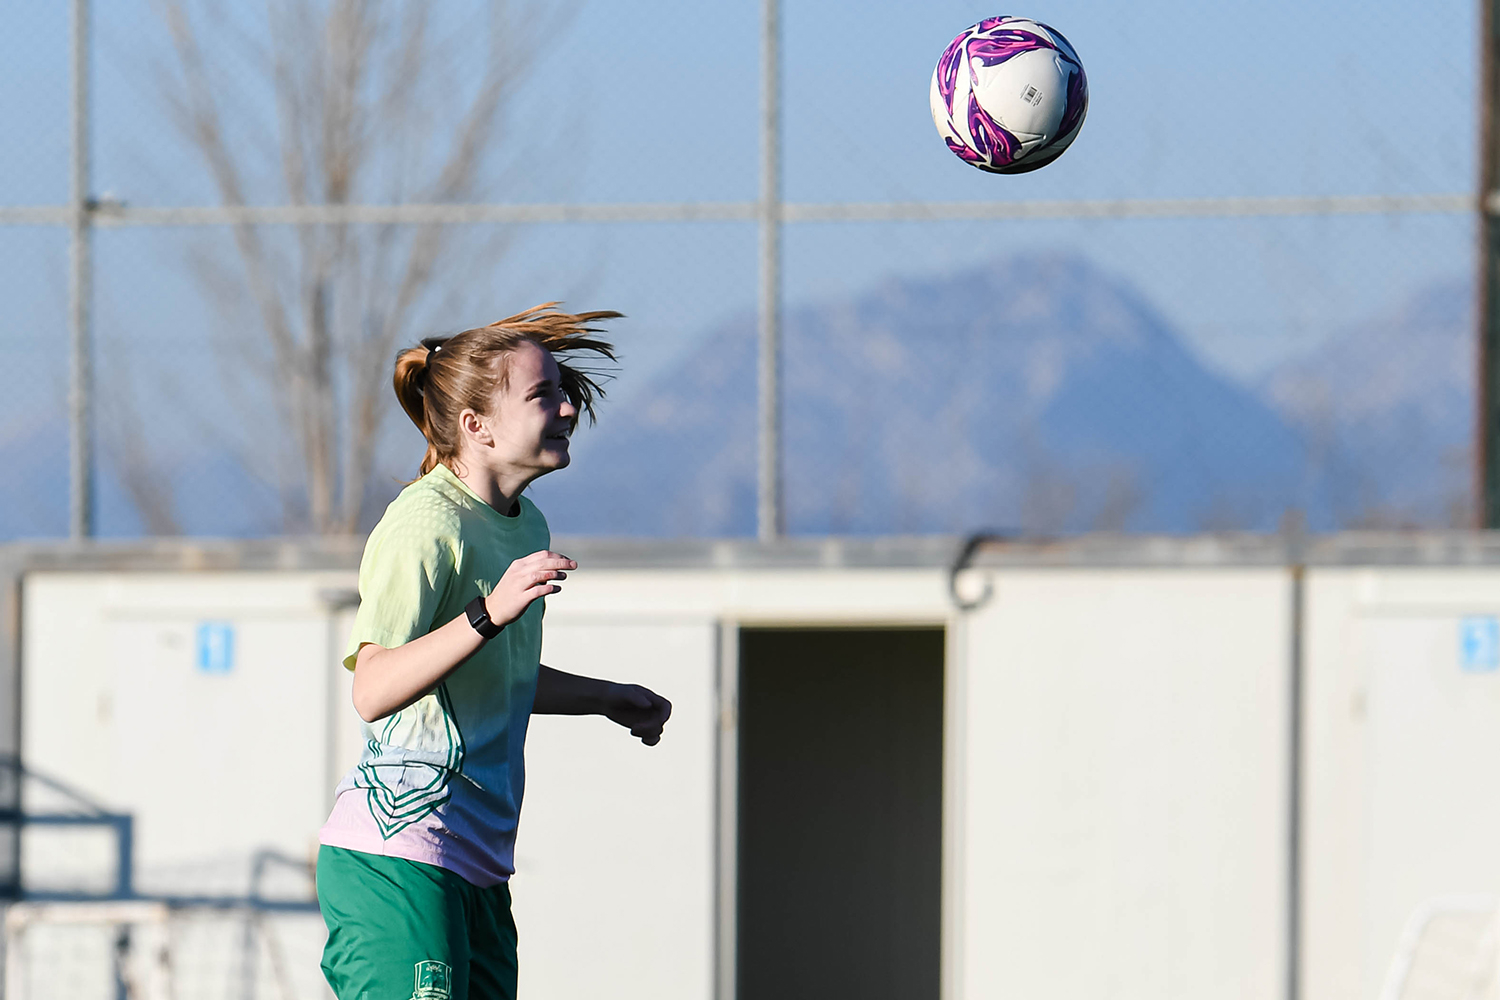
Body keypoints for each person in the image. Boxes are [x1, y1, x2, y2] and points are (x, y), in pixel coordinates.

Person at [316, 304, 672, 1000]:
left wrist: (605, 698)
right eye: (543, 394)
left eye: (563, 391)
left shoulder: (525, 525)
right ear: (475, 426)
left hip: (477, 864)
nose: (568, 408)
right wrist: (489, 611)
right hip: (399, 857)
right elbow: (373, 687)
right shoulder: (424, 522)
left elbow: (494, 673)